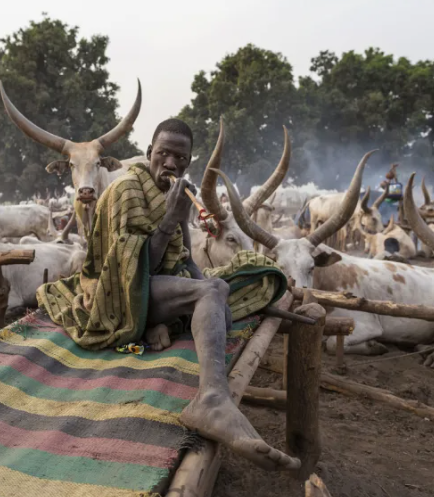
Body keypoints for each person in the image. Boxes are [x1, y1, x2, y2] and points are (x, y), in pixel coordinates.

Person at [37, 118, 297, 471]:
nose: (171, 164)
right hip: (121, 295)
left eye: (180, 157)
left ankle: (196, 364)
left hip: (156, 287)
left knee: (225, 284)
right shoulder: (126, 189)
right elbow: (131, 270)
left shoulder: (173, 194)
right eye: (163, 154)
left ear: (188, 162)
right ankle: (211, 400)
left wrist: (219, 295)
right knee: (210, 292)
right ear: (149, 154)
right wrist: (170, 220)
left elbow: (187, 260)